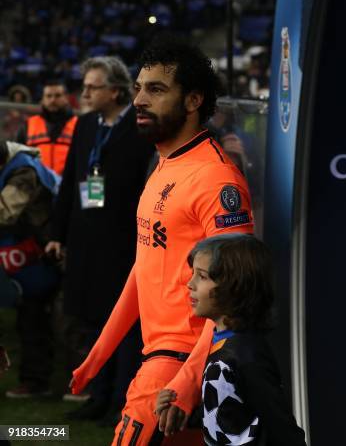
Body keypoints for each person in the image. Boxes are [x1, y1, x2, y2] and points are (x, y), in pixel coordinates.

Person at [69, 35, 254, 445]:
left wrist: (186, 386)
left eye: (155, 89)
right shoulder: (165, 164)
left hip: (183, 369)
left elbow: (235, 296)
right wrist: (99, 354)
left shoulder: (216, 179)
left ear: (193, 100)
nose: (139, 99)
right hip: (163, 363)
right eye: (137, 88)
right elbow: (147, 268)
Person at [45, 56, 154, 422]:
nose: (85, 92)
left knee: (122, 325)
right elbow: (71, 179)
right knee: (93, 323)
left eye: (93, 86)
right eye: (85, 85)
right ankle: (98, 396)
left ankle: (122, 401)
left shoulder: (140, 128)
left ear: (116, 90)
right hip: (85, 239)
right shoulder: (86, 124)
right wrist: (57, 233)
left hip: (122, 243)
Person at [156, 234, 306, 445]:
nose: (190, 283)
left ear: (234, 287)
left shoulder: (247, 355)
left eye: (202, 276)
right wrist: (188, 416)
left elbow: (281, 425)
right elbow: (230, 413)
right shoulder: (223, 343)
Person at [0, 140, 60, 398]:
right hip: (27, 247)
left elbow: (5, 212)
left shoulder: (24, 171)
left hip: (46, 251)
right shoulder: (15, 162)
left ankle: (37, 382)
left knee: (34, 317)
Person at [17, 80, 77, 175]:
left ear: (66, 98)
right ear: (43, 99)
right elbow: (18, 159)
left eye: (57, 96)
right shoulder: (28, 125)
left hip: (68, 185)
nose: (52, 100)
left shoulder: (78, 125)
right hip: (36, 186)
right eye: (48, 96)